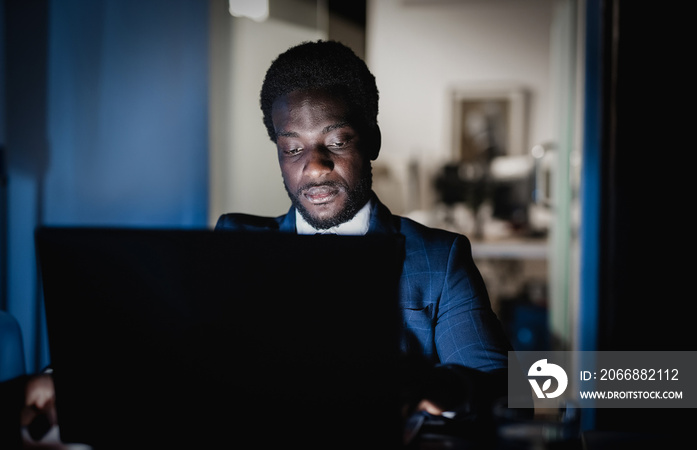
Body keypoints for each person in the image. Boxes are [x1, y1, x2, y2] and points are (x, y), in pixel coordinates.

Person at [215, 40, 515, 423]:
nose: (315, 167)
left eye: (337, 142)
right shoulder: (238, 244)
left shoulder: (438, 259)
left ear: (371, 140)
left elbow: (506, 390)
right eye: (292, 149)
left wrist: (432, 385)